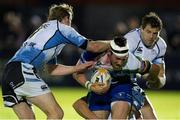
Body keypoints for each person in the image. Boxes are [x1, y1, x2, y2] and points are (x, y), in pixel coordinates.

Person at [1, 3, 110, 119]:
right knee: (56, 113)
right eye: (70, 21)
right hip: (23, 70)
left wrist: (78, 68)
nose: (70, 24)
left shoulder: (46, 31)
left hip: (8, 73)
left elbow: (51, 70)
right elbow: (94, 47)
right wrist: (116, 43)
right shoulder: (62, 28)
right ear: (66, 18)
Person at [73, 36, 158, 119]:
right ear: (109, 53)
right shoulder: (93, 54)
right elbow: (76, 73)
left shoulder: (133, 63)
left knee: (120, 112)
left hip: (121, 85)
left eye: (123, 59)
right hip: (101, 88)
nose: (120, 63)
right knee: (99, 116)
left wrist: (154, 79)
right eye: (117, 58)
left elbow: (154, 68)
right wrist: (90, 86)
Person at [124, 12, 167, 119]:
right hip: (118, 81)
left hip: (132, 83)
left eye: (155, 33)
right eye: (148, 31)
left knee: (149, 112)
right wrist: (145, 68)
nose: (151, 36)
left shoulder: (161, 46)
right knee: (135, 115)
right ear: (141, 29)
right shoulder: (130, 39)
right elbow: (117, 64)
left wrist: (155, 81)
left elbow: (161, 76)